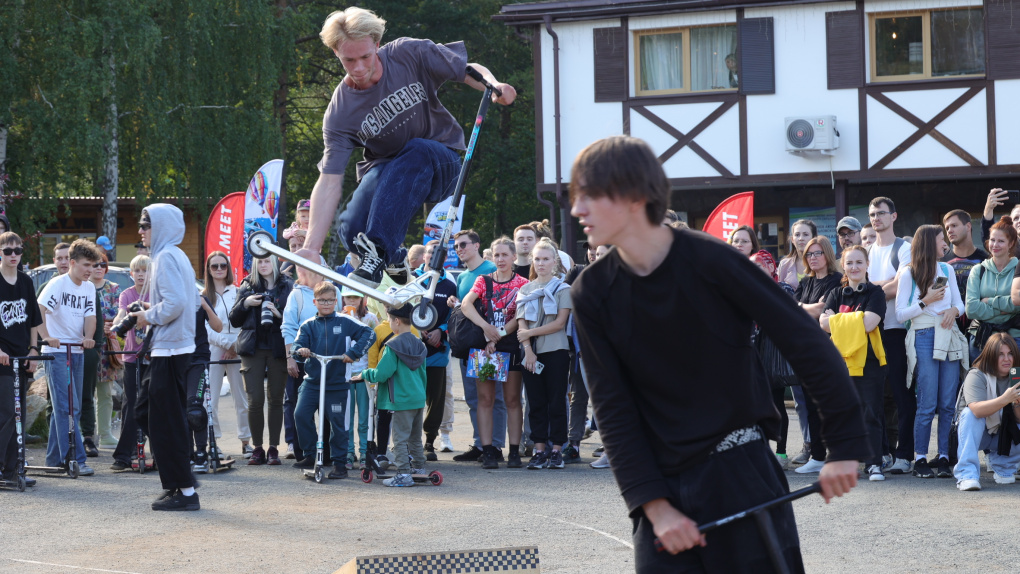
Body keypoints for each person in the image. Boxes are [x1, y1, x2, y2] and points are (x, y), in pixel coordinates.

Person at [568, 136, 866, 571]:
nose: (578, 209)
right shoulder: (590, 292)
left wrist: (842, 444)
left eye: (590, 195)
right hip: (662, 495)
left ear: (634, 195)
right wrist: (654, 506)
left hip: (742, 473)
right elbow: (613, 408)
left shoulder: (712, 260)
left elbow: (803, 339)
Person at [303, 6, 517, 288]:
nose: (359, 69)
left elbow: (465, 70)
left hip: (440, 160)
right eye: (348, 60)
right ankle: (393, 256)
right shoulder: (341, 112)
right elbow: (329, 180)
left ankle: (379, 253)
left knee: (416, 150)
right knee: (352, 228)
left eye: (365, 57)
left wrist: (493, 85)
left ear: (377, 44)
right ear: (336, 54)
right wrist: (311, 248)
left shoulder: (407, 53)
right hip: (387, 172)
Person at [129, 205, 200, 511]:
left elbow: (178, 303)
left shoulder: (167, 256)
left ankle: (185, 491)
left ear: (163, 227)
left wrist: (148, 315)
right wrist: (153, 306)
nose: (140, 231)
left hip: (172, 350)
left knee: (165, 420)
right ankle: (177, 483)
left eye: (146, 225)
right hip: (167, 349)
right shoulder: (171, 255)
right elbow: (189, 300)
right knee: (146, 411)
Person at [895, 224, 966, 480]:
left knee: (947, 403)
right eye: (940, 239)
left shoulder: (946, 269)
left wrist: (953, 311)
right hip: (923, 335)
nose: (945, 243)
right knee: (927, 402)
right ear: (928, 243)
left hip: (947, 335)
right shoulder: (909, 274)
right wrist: (926, 300)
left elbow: (960, 303)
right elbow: (900, 313)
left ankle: (945, 457)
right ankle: (921, 457)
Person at [292, 281, 376, 479]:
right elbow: (296, 347)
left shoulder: (345, 321)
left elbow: (369, 333)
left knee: (339, 424)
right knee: (301, 414)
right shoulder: (308, 325)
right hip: (313, 381)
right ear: (315, 302)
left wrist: (353, 353)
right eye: (322, 300)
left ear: (336, 301)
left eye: (330, 300)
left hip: (338, 384)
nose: (326, 304)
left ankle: (339, 464)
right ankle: (310, 454)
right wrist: (301, 351)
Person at [820, 245, 888, 481]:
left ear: (867, 264)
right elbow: (822, 324)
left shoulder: (875, 293)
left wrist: (837, 320)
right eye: (849, 263)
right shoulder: (835, 294)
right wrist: (856, 318)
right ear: (843, 266)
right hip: (840, 363)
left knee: (871, 412)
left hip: (869, 363)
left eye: (859, 262)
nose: (854, 267)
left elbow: (870, 323)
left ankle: (873, 463)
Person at [459, 237, 528, 469]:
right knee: (485, 399)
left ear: (514, 257)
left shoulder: (523, 283)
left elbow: (521, 317)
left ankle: (515, 452)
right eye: (496, 255)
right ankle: (488, 450)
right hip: (484, 346)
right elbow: (466, 305)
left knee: (512, 400)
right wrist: (485, 329)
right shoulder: (483, 280)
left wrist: (496, 334)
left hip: (510, 346)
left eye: (505, 255)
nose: (500, 259)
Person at [39, 238, 100, 477]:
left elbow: (90, 318)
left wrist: (88, 337)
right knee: (68, 407)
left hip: (76, 351)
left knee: (62, 409)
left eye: (93, 265)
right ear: (72, 263)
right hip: (56, 353)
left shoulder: (88, 288)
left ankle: (53, 460)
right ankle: (74, 459)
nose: (90, 270)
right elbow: (39, 310)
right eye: (86, 265)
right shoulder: (57, 284)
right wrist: (46, 337)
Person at [448, 229, 506, 462]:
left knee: (494, 398)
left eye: (463, 245)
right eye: (456, 247)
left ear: (476, 245)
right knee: (473, 398)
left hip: (489, 346)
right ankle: (481, 444)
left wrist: (493, 339)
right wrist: (456, 303)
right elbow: (466, 310)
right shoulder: (462, 277)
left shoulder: (492, 270)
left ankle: (497, 446)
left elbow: (500, 307)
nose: (459, 250)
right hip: (468, 346)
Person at [867, 196, 915, 475]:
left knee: (901, 394)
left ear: (894, 216)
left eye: (882, 213)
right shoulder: (866, 250)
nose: (876, 218)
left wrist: (872, 290)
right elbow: (855, 284)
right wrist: (880, 288)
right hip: (869, 331)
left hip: (896, 330)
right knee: (874, 397)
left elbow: (899, 287)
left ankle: (904, 454)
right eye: (873, 214)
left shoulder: (904, 248)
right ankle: (881, 452)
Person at [0, 232, 52, 488]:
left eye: (17, 251)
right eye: (7, 251)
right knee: (8, 412)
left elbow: (34, 319)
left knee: (17, 415)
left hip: (22, 356)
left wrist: (34, 350)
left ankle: (13, 469)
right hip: (2, 358)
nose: (13, 256)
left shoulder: (26, 282)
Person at [230, 254, 293, 465]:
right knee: (255, 400)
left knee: (276, 399)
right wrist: (245, 303)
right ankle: (257, 447)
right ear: (255, 264)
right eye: (260, 261)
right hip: (252, 348)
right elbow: (234, 319)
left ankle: (274, 448)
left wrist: (279, 314)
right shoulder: (247, 286)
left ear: (274, 263)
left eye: (267, 261)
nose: (264, 265)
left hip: (277, 348)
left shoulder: (287, 286)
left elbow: (294, 319)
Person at [516, 238, 572, 470]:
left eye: (546, 259)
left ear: (555, 262)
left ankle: (557, 449)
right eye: (537, 259)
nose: (541, 263)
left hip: (556, 351)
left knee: (556, 401)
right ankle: (539, 449)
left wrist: (530, 332)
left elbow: (559, 323)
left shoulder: (563, 288)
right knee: (535, 401)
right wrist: (528, 349)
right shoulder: (525, 289)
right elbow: (521, 325)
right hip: (531, 353)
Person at [358, 303, 427, 487]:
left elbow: (381, 374)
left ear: (396, 321)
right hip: (418, 398)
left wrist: (365, 374)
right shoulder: (419, 344)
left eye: (389, 320)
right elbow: (423, 374)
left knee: (399, 440)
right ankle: (419, 469)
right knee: (414, 438)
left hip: (400, 401)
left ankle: (403, 474)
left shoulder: (392, 346)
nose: (388, 323)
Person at [282, 250, 335, 463]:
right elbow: (288, 328)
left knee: (328, 409)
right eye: (301, 265)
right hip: (301, 361)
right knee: (300, 409)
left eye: (311, 265)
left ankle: (329, 454)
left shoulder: (334, 292)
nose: (305, 269)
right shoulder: (295, 295)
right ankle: (306, 453)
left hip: (328, 362)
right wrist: (290, 357)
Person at [953, 333, 1020, 491]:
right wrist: (1005, 399)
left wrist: (1017, 404)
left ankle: (1003, 466)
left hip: (1001, 434)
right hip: (976, 434)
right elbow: (976, 410)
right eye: (1000, 354)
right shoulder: (976, 374)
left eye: (1010, 353)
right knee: (970, 414)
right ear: (991, 355)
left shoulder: (1016, 376)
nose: (1007, 359)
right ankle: (967, 474)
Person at [201, 252, 251, 459]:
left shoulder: (239, 291)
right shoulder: (203, 295)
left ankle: (246, 441)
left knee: (241, 397)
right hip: (214, 347)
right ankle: (213, 441)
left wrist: (235, 346)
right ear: (209, 270)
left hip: (238, 346)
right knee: (209, 399)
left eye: (223, 265)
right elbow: (204, 327)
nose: (219, 269)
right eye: (215, 266)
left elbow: (246, 320)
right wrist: (225, 344)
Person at [750, 249, 795, 470]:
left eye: (758, 265)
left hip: (771, 354)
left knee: (776, 406)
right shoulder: (744, 288)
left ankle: (781, 453)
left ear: (770, 267)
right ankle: (760, 452)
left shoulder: (783, 288)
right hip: (750, 354)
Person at [414, 240, 457, 461]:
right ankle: (410, 442)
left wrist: (441, 330)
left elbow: (453, 315)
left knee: (436, 398)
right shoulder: (413, 280)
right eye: (430, 252)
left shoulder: (449, 285)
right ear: (424, 256)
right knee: (412, 396)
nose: (433, 256)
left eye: (439, 253)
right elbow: (404, 307)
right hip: (412, 350)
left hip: (438, 350)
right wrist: (418, 330)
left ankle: (429, 441)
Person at [110, 255, 150, 471]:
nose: (141, 274)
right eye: (137, 271)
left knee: (155, 404)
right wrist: (117, 324)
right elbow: (120, 315)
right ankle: (124, 455)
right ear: (131, 274)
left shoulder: (157, 293)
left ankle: (162, 453)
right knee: (130, 403)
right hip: (132, 357)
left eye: (145, 270)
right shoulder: (126, 294)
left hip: (153, 356)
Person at [966, 217, 1019, 356]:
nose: (995, 244)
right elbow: (971, 309)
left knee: (1015, 377)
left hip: (1014, 338)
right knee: (981, 377)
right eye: (993, 240)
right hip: (981, 339)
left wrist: (989, 301)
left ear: (1011, 243)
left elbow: (1017, 305)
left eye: (1001, 241)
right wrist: (1003, 310)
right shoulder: (978, 270)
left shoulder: (1018, 270)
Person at [339, 286, 378, 468]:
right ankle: (348, 452)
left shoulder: (370, 319)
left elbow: (375, 346)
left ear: (363, 299)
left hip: (364, 374)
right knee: (347, 416)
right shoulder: (338, 318)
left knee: (364, 417)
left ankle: (364, 452)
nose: (352, 301)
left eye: (356, 297)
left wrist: (373, 372)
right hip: (345, 373)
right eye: (348, 297)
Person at [87, 252, 121, 450]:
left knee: (106, 393)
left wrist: (110, 325)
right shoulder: (83, 286)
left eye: (103, 264)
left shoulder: (113, 288)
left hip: (107, 345)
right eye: (95, 264)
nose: (99, 267)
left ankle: (106, 434)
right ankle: (88, 435)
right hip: (87, 343)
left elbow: (117, 315)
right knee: (86, 392)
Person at [187, 293, 222, 472]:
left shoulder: (199, 298)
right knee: (178, 408)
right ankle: (186, 453)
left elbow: (218, 327)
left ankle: (201, 452)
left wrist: (205, 306)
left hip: (198, 359)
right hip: (174, 358)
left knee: (194, 406)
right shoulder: (168, 296)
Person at [943, 209, 989, 313]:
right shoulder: (942, 262)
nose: (949, 230)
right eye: (947, 228)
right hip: (949, 324)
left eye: (954, 226)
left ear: (968, 226)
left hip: (979, 323)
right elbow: (937, 293)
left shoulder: (986, 259)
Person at [777, 219, 816, 290]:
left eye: (805, 234)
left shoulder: (821, 262)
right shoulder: (784, 264)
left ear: (814, 238)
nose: (801, 238)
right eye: (797, 235)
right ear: (792, 239)